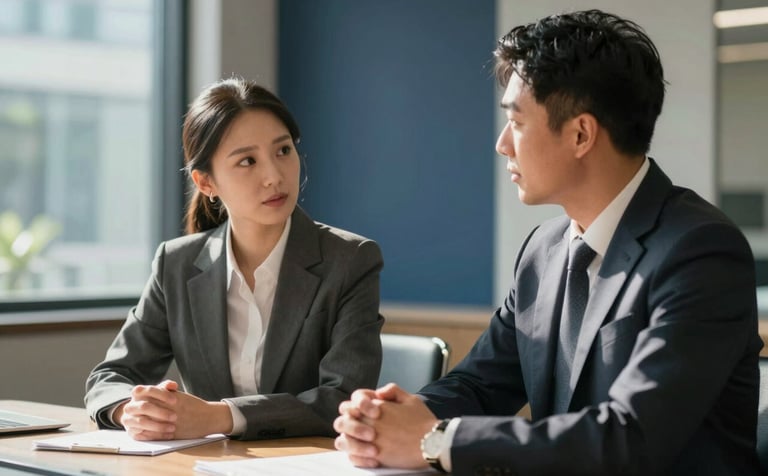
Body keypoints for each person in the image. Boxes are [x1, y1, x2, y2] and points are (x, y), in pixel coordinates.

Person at [334, 9, 762, 475]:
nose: (502, 144)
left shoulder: (700, 251)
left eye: (516, 122)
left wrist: (437, 441)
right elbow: (480, 384)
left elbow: (630, 437)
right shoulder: (544, 249)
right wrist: (390, 417)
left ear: (581, 134)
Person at [85, 78, 384, 441]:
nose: (274, 176)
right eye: (247, 161)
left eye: (283, 151)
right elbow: (109, 378)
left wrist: (221, 417)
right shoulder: (176, 264)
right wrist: (134, 410)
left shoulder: (350, 259)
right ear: (206, 182)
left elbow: (341, 398)